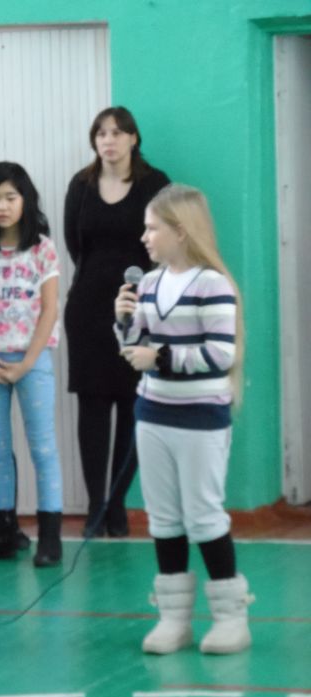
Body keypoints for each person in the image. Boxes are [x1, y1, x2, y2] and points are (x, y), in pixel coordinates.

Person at [114, 183, 253, 655]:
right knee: (164, 518)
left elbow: (221, 353)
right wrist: (124, 322)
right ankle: (173, 619)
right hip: (152, 413)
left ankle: (231, 620)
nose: (145, 237)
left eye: (152, 228)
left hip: (200, 417)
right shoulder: (150, 284)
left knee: (204, 515)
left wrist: (160, 357)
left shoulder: (213, 285)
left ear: (180, 231)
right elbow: (135, 347)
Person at [63, 107, 170, 539]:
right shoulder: (81, 185)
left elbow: (163, 242)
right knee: (92, 405)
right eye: (101, 134)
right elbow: (75, 245)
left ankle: (118, 504)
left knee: (132, 403)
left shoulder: (155, 184)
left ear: (133, 138)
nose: (108, 140)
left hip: (142, 307)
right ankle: (96, 505)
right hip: (88, 307)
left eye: (117, 133)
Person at [0, 162, 63, 567]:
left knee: (43, 448)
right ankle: (1, 533)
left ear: (26, 201)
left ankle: (49, 539)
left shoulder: (42, 249)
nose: (2, 206)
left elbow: (50, 310)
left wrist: (26, 364)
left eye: (11, 197)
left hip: (31, 362)